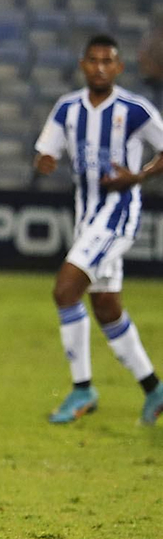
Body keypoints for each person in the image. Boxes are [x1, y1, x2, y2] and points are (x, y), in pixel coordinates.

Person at [35, 35, 163, 425]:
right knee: (107, 309)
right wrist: (45, 159)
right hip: (87, 217)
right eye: (93, 61)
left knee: (65, 289)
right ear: (83, 65)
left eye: (108, 61)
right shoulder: (68, 108)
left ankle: (82, 388)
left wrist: (138, 176)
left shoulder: (136, 110)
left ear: (119, 67)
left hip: (118, 214)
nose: (101, 67)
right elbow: (47, 150)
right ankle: (154, 390)